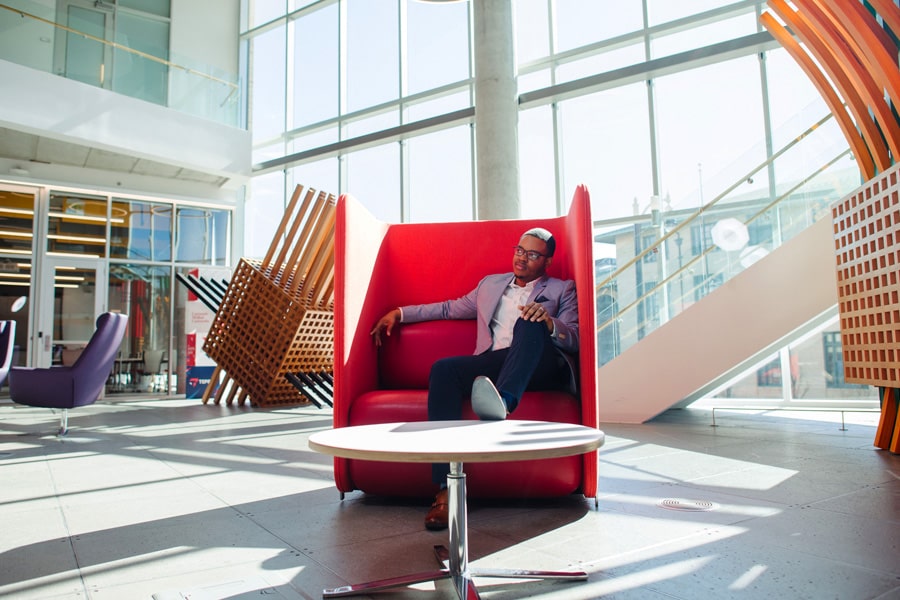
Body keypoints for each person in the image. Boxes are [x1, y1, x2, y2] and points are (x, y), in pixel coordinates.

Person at [370, 227, 579, 531]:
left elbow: (573, 338)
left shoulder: (562, 289)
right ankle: (446, 489)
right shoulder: (490, 286)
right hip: (494, 362)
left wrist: (548, 323)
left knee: (530, 321)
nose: (522, 258)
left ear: (547, 262)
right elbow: (447, 307)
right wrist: (400, 314)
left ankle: (503, 402)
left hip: (540, 365)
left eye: (533, 254)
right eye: (520, 250)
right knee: (444, 370)